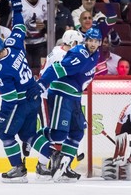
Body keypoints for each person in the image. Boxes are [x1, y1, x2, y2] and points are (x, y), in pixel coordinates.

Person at [0, 0, 53, 183]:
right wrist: (18, 8)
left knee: (5, 133)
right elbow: (20, 26)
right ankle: (53, 158)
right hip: (33, 99)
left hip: (20, 103)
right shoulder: (13, 45)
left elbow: (10, 99)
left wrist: (1, 116)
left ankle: (18, 169)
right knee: (30, 135)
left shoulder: (0, 70)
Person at [26, 27, 102, 182]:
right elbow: (56, 69)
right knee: (58, 133)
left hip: (74, 96)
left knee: (78, 131)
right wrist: (42, 84)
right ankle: (31, 138)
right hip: (61, 94)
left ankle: (64, 167)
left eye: (96, 41)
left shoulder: (94, 54)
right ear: (84, 40)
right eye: (90, 40)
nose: (93, 43)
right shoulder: (77, 54)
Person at [21, 0, 47, 76]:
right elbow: (15, 22)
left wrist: (45, 26)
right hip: (24, 43)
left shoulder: (45, 3)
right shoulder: (21, 3)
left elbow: (50, 22)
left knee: (39, 68)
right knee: (25, 68)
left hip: (40, 42)